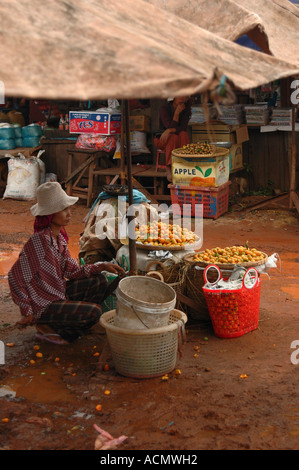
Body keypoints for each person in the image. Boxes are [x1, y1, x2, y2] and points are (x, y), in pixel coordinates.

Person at [8, 181, 125, 345]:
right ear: (50, 214)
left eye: (68, 208)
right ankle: (52, 330)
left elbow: (71, 272)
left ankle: (63, 324)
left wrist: (101, 266)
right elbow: (15, 278)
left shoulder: (59, 238)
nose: (69, 213)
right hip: (42, 306)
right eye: (64, 209)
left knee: (99, 280)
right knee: (95, 313)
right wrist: (27, 311)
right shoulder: (39, 241)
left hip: (57, 294)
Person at [154, 96, 192, 181]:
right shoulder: (164, 108)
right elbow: (168, 126)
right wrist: (176, 113)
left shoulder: (186, 109)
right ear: (173, 98)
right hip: (162, 139)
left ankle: (184, 164)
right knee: (172, 137)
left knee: (184, 134)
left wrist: (170, 130)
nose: (182, 98)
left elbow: (183, 127)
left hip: (178, 138)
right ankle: (169, 167)